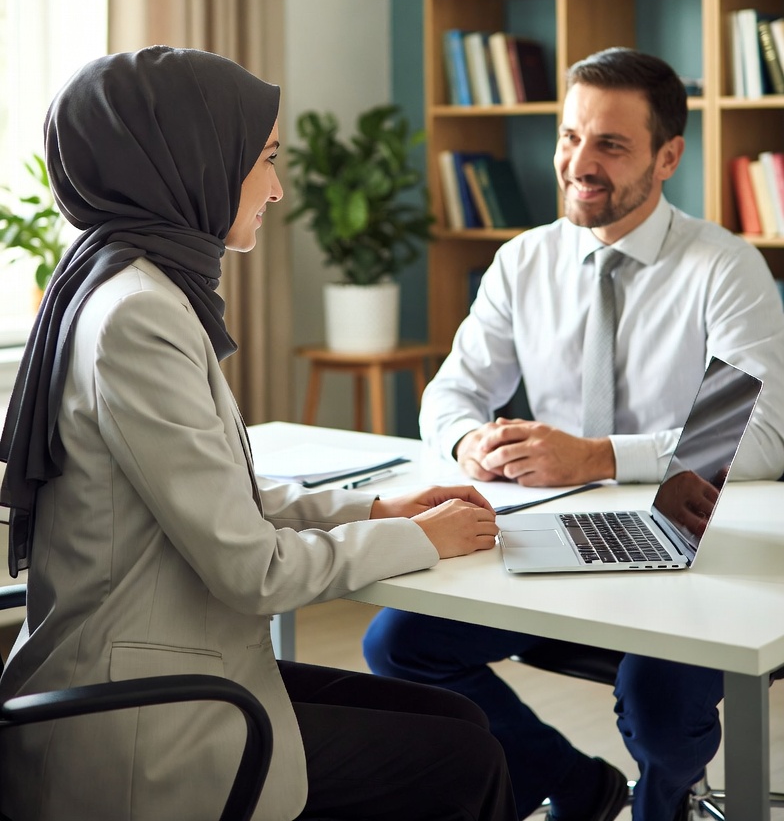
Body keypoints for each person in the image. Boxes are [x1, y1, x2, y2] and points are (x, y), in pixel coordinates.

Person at [0, 46, 519, 821]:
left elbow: (224, 503)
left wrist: (377, 512)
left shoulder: (115, 282)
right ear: (192, 159)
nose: (276, 189)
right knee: (464, 756)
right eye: (266, 160)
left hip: (154, 664)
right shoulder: (137, 314)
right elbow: (253, 572)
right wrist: (425, 540)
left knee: (458, 721)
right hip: (140, 713)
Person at [363, 47, 784, 821]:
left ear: (668, 157)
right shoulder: (524, 261)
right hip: (548, 536)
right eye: (569, 138)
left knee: (659, 698)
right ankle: (574, 783)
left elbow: (756, 440)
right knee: (397, 646)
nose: (578, 164)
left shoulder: (724, 269)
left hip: (679, 554)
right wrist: (469, 443)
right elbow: (450, 394)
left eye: (609, 146)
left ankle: (667, 804)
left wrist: (595, 457)